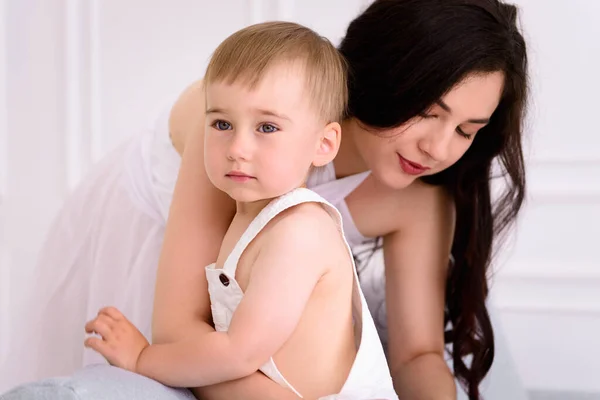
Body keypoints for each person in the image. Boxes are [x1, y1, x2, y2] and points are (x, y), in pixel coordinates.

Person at [2, 0, 529, 399]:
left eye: (466, 130)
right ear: (388, 75)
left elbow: (417, 355)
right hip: (155, 248)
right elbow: (180, 331)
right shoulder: (238, 137)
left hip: (252, 313)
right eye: (429, 113)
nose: (438, 149)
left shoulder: (419, 199)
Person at [82, 21, 397, 399]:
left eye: (266, 127)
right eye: (222, 123)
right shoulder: (251, 216)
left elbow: (239, 353)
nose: (237, 147)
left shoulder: (301, 232)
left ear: (324, 144)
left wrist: (142, 359)